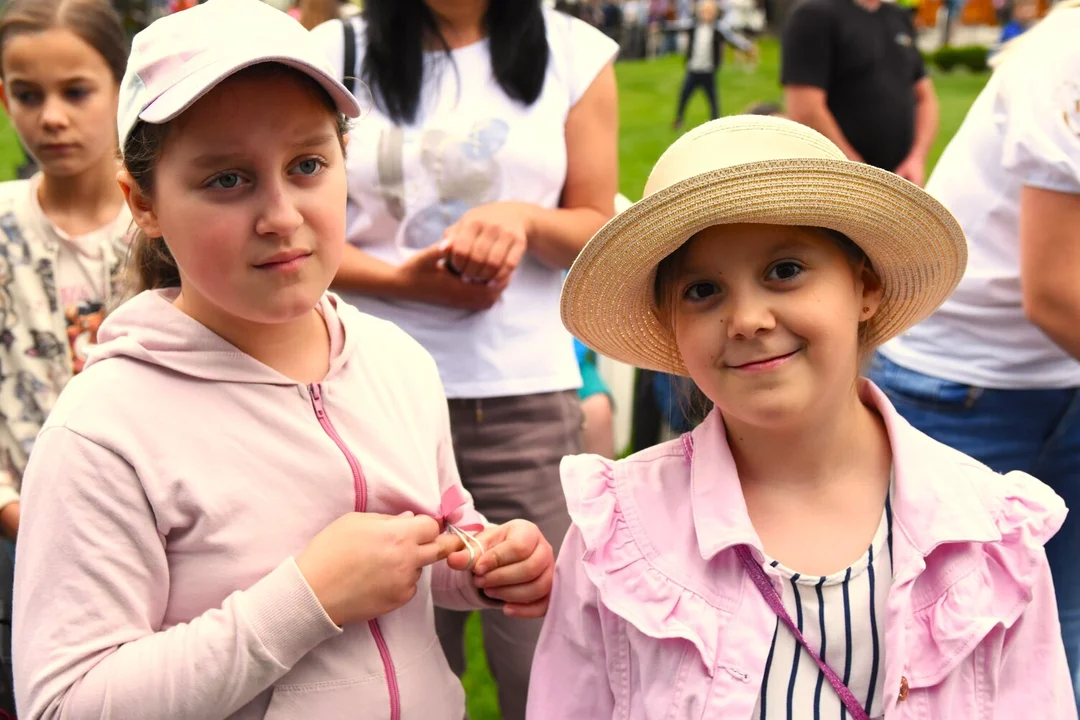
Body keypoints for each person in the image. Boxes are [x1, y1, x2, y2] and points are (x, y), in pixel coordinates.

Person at [11, 1, 556, 718]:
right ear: (140, 202)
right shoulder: (104, 432)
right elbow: (67, 702)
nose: (281, 215)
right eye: (226, 180)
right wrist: (307, 598)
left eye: (306, 164)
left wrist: (482, 561)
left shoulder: (398, 361)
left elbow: (432, 535)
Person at [527, 115, 1077, 718]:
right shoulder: (619, 531)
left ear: (864, 288)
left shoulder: (988, 535)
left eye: (784, 271)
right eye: (702, 291)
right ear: (671, 326)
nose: (748, 319)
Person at [310, 2, 617, 716]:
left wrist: (524, 218)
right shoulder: (338, 48)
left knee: (542, 659)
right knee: (392, 654)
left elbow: (599, 225)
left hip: (521, 397)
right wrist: (399, 283)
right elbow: (297, 223)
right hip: (365, 398)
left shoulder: (574, 52)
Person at [870, 0, 1080, 707]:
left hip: (1062, 372)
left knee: (1063, 627)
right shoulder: (1070, 57)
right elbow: (1055, 293)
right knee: (922, 654)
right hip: (960, 389)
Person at [0, 0, 131, 711]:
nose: (51, 117)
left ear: (121, 86)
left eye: (75, 91)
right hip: (18, 542)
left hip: (152, 528)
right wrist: (17, 508)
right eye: (28, 94)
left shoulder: (165, 226)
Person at [781, 0, 938, 186]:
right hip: (838, 182)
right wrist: (855, 170)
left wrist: (916, 158)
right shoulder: (813, 15)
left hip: (899, 179)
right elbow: (805, 109)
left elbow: (925, 98)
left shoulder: (898, 17)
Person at [672, 0, 756, 129]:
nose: (707, 15)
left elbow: (733, 40)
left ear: (714, 14)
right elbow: (675, 27)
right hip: (693, 69)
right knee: (684, 96)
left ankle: (715, 124)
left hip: (708, 72)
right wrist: (659, 27)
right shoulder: (693, 26)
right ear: (699, 13)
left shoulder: (718, 29)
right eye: (704, 12)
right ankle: (678, 119)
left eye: (710, 12)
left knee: (713, 100)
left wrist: (747, 47)